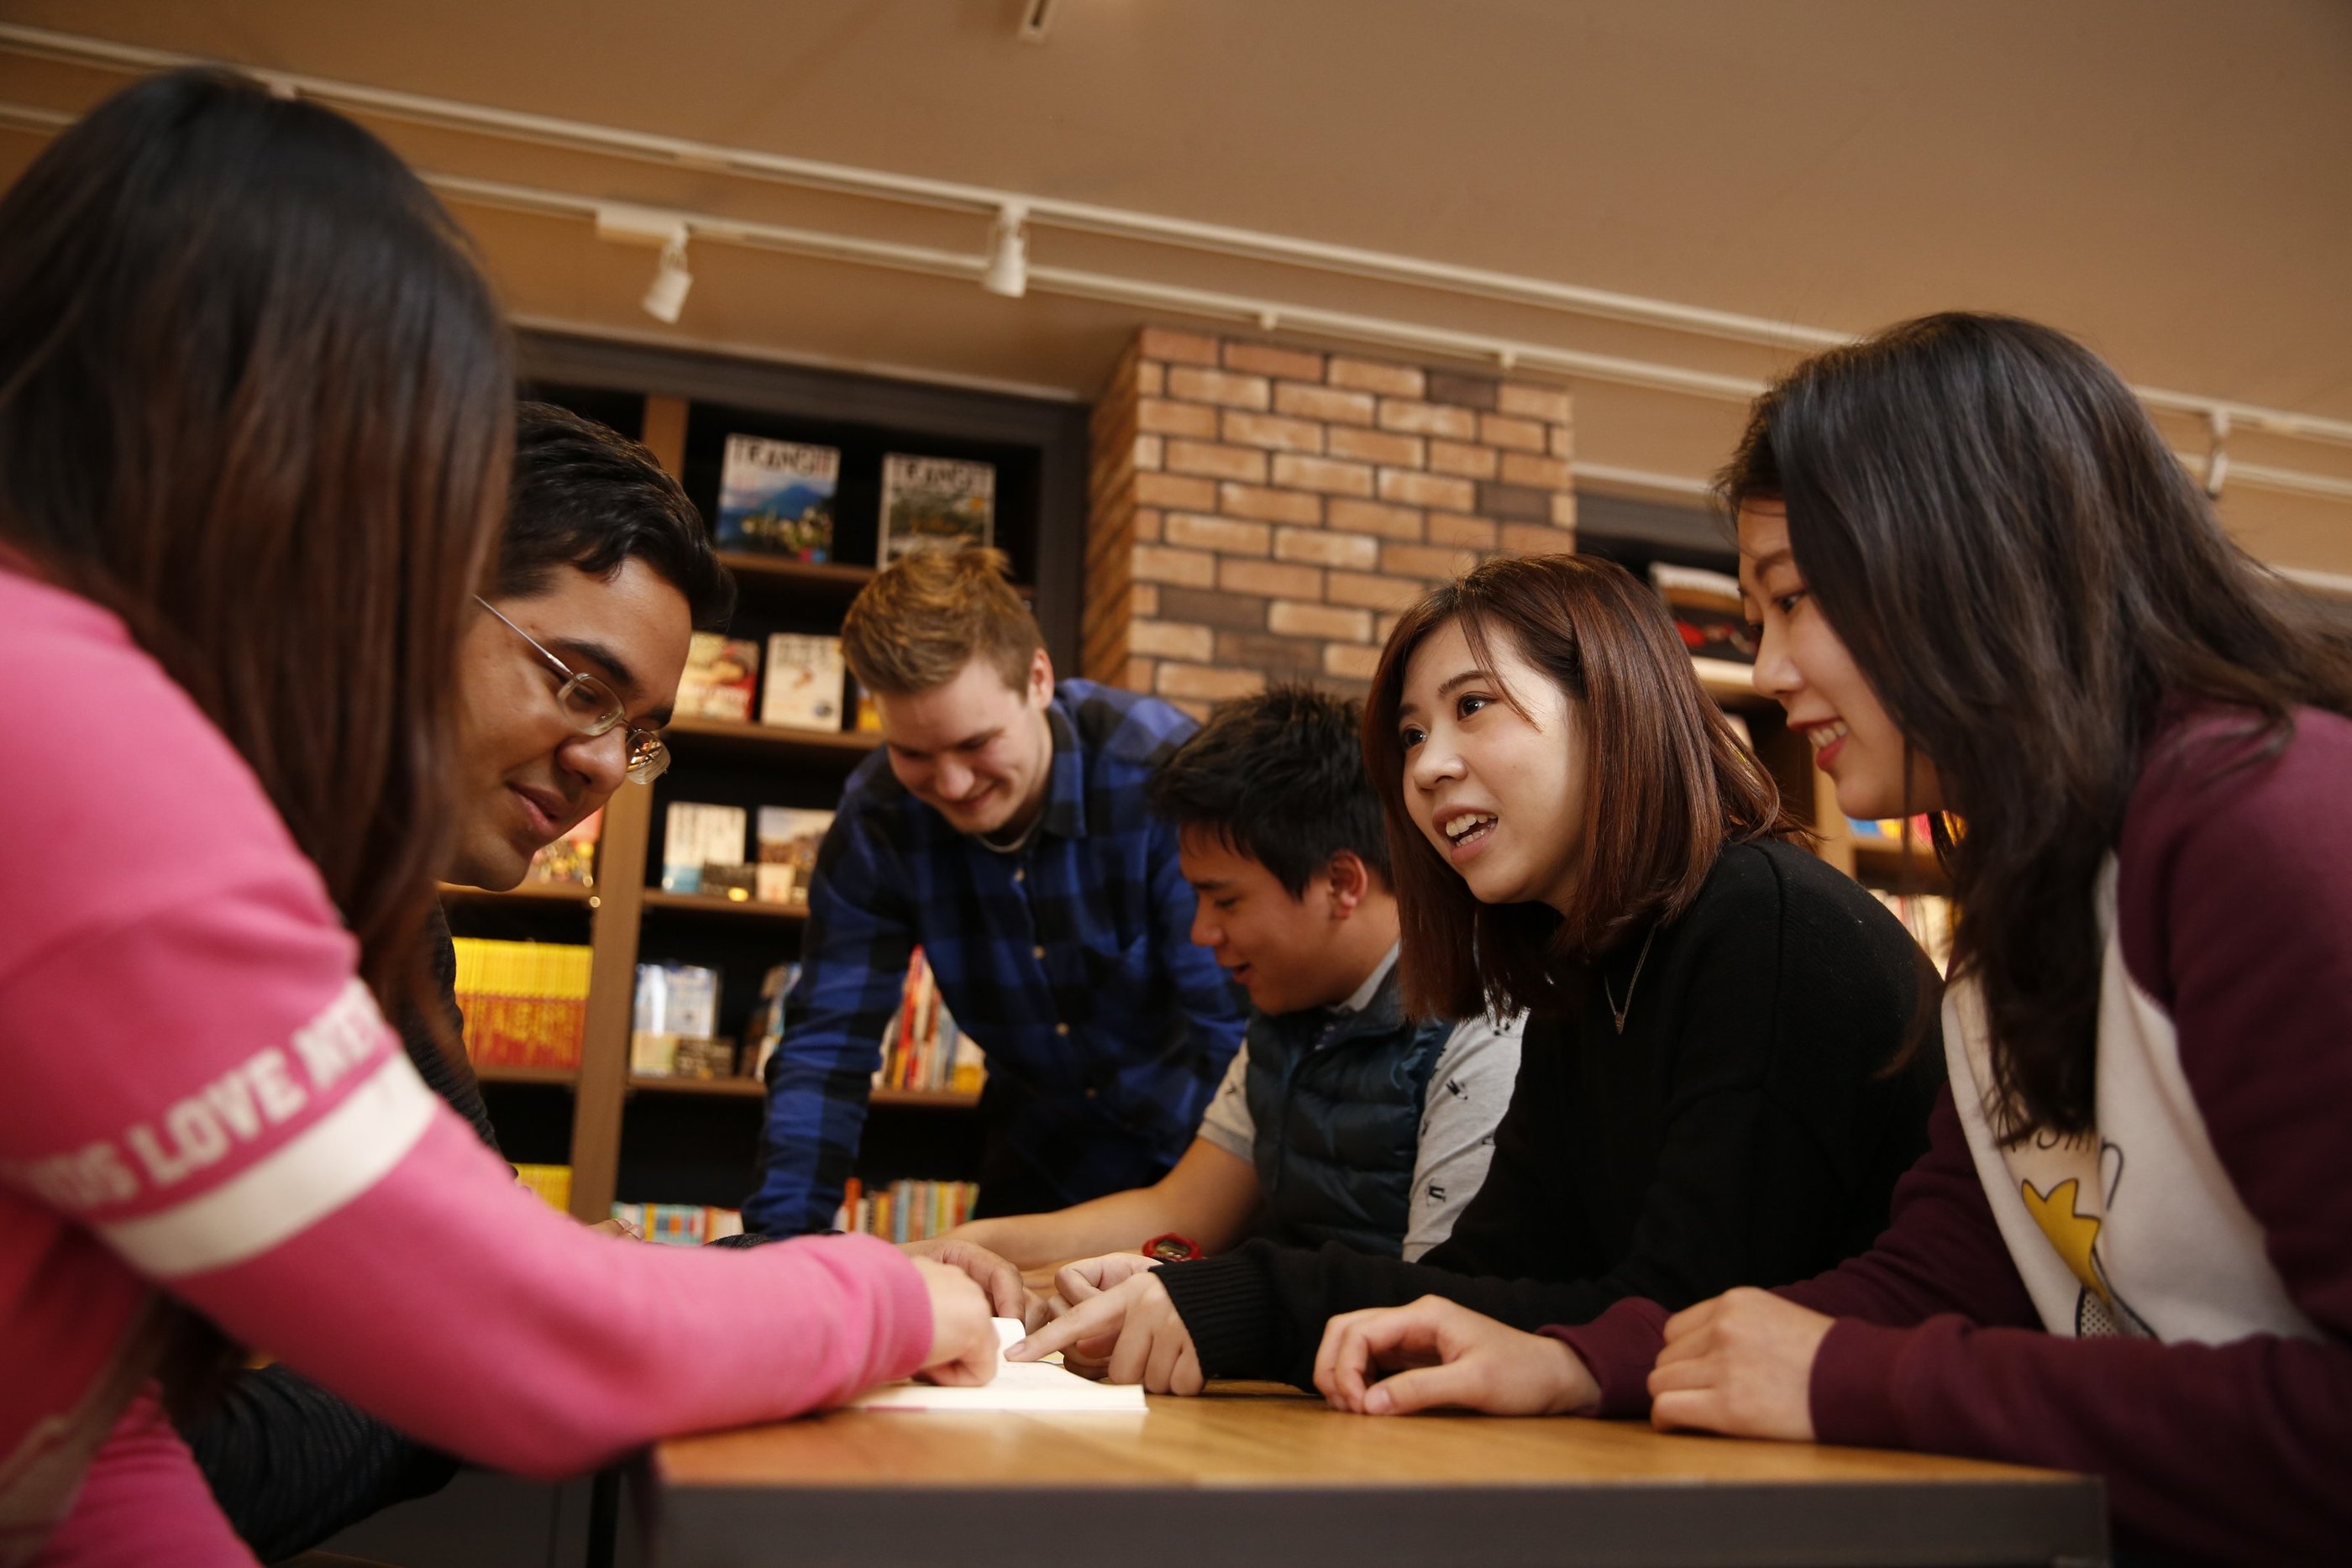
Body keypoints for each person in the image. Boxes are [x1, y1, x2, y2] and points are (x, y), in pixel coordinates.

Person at [0, 70, 998, 1568]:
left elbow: (78, 1445)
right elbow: (523, 1337)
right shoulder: (75, 729)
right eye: (411, 494)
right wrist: (897, 1293)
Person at [1308, 315, 2352, 1564]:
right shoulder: (2025, 904)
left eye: (1794, 599)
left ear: (1971, 552)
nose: (1769, 670)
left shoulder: (2261, 817)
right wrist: (1586, 1361)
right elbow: (1949, 1266)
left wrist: (1854, 1379)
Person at [1012, 553, 1942, 1394]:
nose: (1426, 767)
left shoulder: (1762, 921)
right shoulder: (1584, 969)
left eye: (1471, 707)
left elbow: (1675, 1315)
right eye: (1411, 734)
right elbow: (1484, 1282)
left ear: (1611, 703)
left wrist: (1246, 1299)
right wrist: (1198, 1292)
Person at [178, 401, 737, 1560]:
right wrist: (482, 1348)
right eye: (581, 686)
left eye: (636, 732)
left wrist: (881, 1279)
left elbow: (493, 1266)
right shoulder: (166, 865)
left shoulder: (397, 926)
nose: (603, 766)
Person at [745, 548, 1249, 1235]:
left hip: (1204, 1146)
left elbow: (1233, 1031)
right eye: (914, 753)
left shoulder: (1159, 772)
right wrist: (779, 1247)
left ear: (1038, 678)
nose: (951, 784)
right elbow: (827, 1047)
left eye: (976, 742)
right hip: (1042, 1150)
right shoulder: (878, 818)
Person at [937, 684, 1522, 1271]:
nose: (1201, 932)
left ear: (1342, 884)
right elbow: (1182, 1210)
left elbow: (1430, 1298)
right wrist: (962, 1249)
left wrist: (1205, 1301)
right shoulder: (1290, 1004)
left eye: (1225, 900)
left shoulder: (1482, 1025)